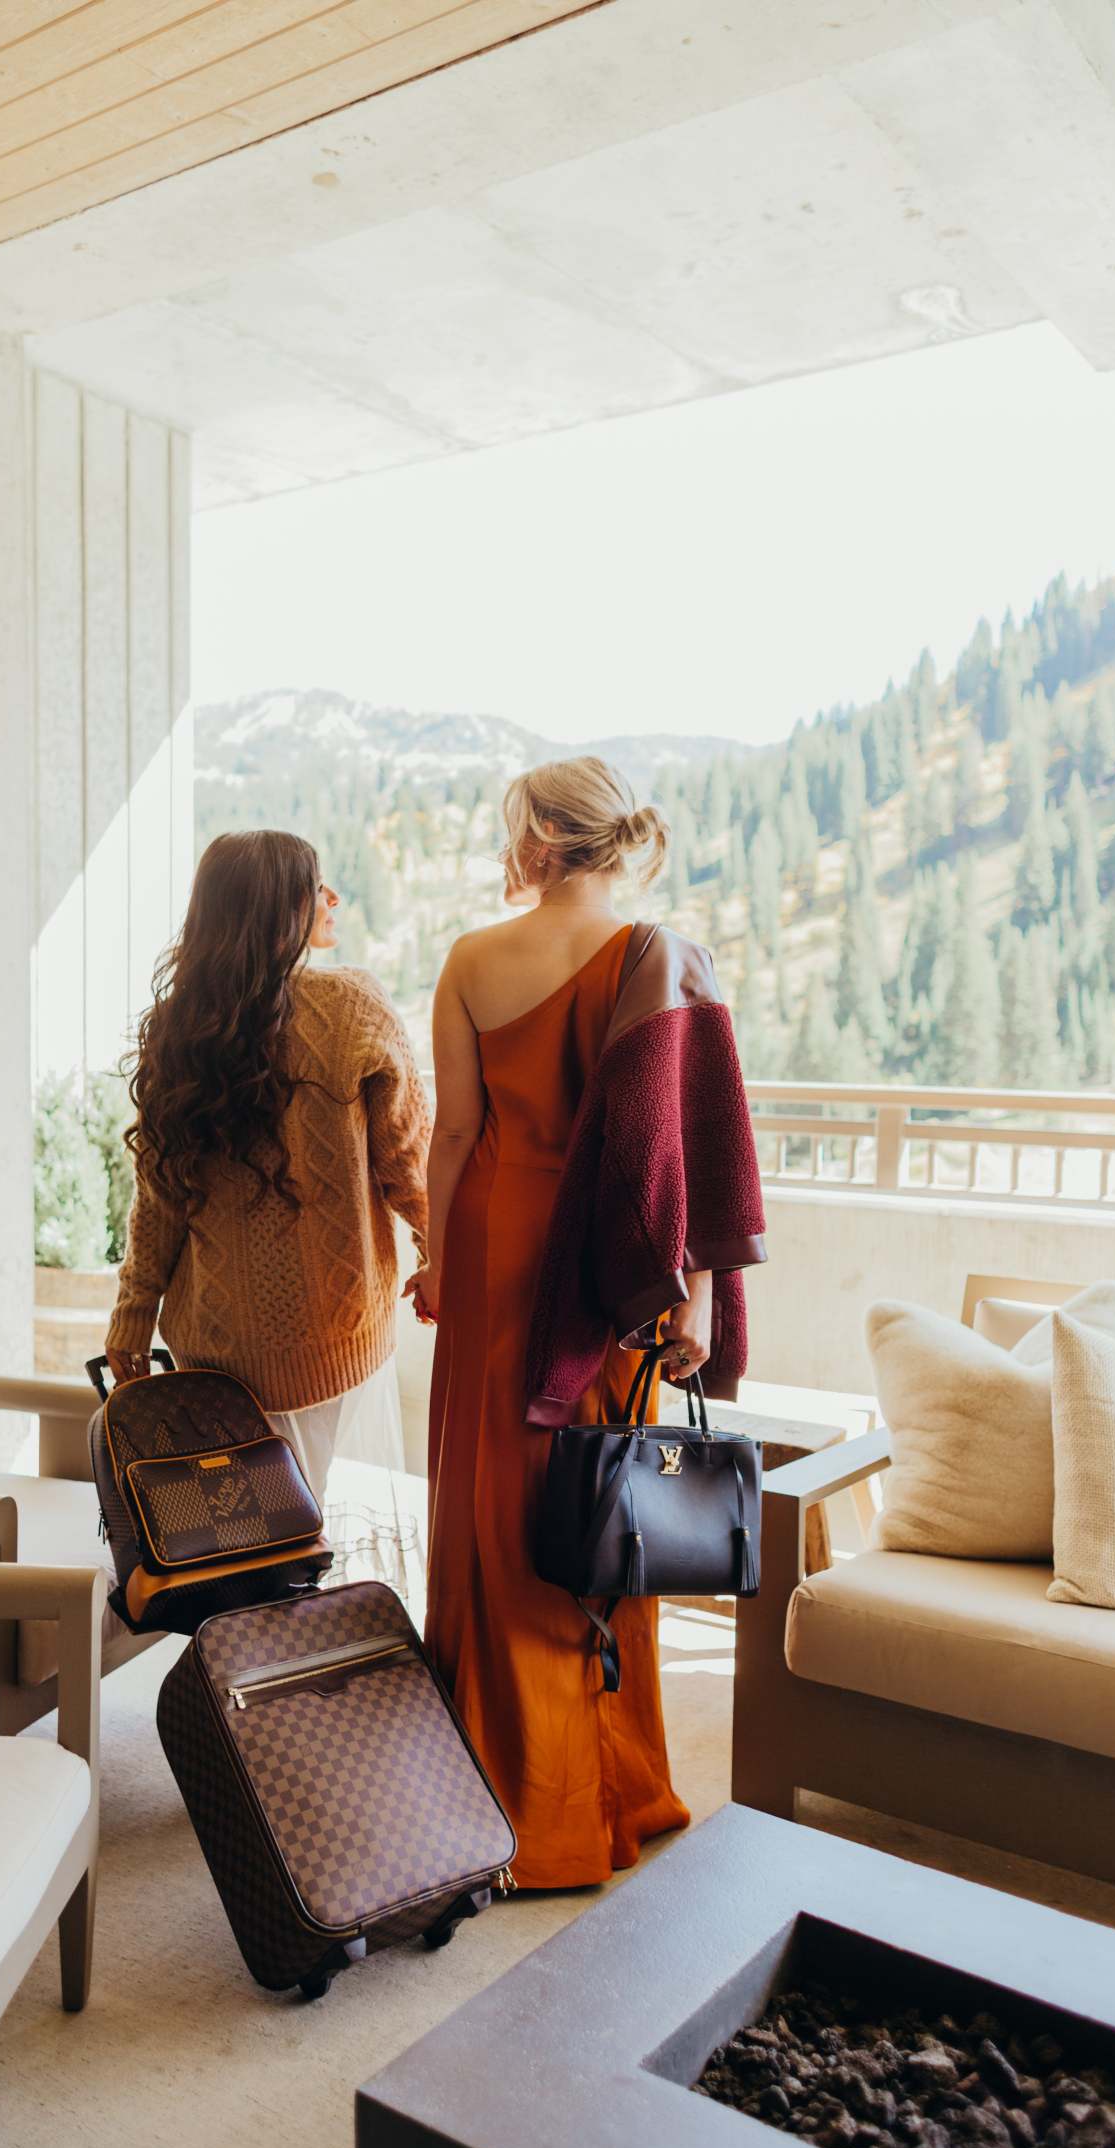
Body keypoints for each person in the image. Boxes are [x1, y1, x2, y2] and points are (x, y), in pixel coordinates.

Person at [412, 757, 766, 1888]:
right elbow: (691, 1154)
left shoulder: (472, 959)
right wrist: (693, 1290)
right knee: (608, 1501)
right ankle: (613, 1786)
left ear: (537, 840)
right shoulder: (663, 959)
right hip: (608, 1269)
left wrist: (436, 1258)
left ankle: (501, 1798)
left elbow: (454, 1136)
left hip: (496, 1244)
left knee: (492, 1508)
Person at [106, 830, 430, 1509]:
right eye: (316, 887)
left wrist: (133, 1315)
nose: (333, 897)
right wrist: (440, 1257)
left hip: (213, 1341)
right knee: (296, 1525)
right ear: (281, 909)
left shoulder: (182, 1025)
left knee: (235, 1527)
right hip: (330, 1330)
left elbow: (159, 1196)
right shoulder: (353, 1007)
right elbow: (408, 1161)